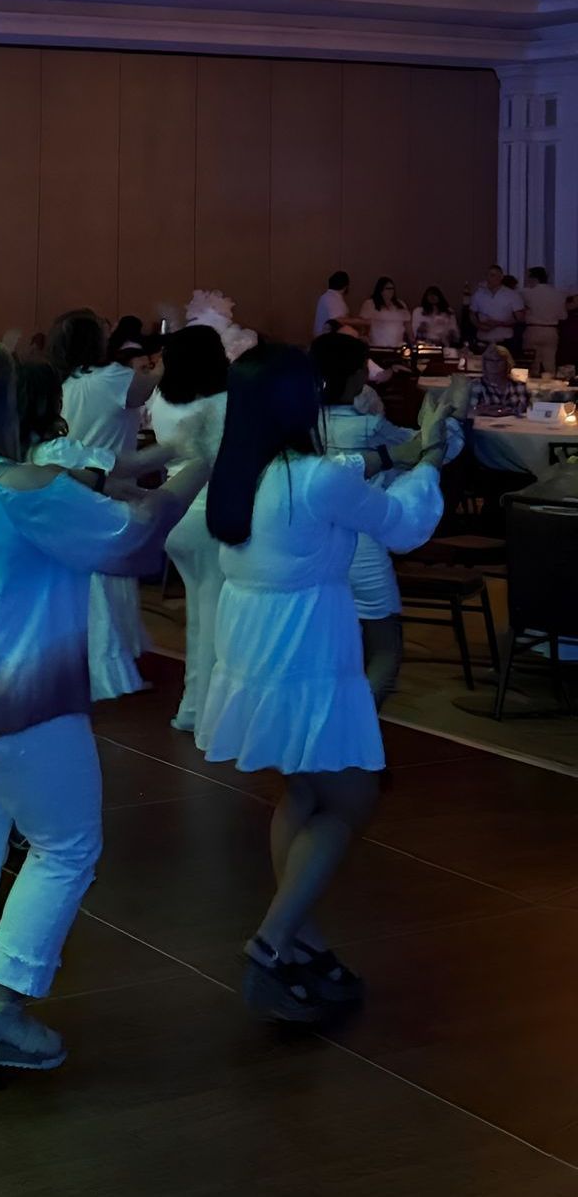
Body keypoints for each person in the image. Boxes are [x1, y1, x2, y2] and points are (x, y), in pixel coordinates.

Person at [0, 333, 205, 1073]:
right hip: (12, 698)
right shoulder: (19, 487)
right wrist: (198, 467)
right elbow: (131, 538)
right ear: (6, 400)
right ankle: (1, 1012)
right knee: (66, 847)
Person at [196, 343, 446, 1023]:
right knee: (353, 797)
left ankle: (301, 937)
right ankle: (272, 940)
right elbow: (405, 525)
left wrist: (396, 455)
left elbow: (345, 473)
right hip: (305, 647)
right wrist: (430, 456)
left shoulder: (239, 470)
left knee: (305, 791)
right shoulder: (312, 477)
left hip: (254, 646)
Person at [49, 310, 160, 700]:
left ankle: (86, 659)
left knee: (91, 585)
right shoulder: (112, 378)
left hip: (73, 490)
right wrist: (165, 356)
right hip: (110, 489)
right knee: (108, 584)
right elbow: (148, 386)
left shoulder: (63, 383)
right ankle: (107, 667)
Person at [312, 334, 420, 705]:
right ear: (357, 375)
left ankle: (329, 719)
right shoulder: (368, 427)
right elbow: (423, 448)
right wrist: (448, 421)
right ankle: (357, 725)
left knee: (329, 644)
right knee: (385, 647)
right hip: (362, 547)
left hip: (313, 544)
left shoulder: (302, 426)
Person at [147, 325, 230, 733]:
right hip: (210, 512)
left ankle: (193, 708)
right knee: (213, 620)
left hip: (173, 511)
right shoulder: (224, 401)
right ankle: (207, 715)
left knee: (199, 616)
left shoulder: (160, 398)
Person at [521, 266, 574, 375]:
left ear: (534, 279)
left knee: (532, 364)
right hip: (551, 330)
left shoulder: (526, 293)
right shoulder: (558, 294)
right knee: (550, 364)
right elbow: (563, 316)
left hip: (533, 329)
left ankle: (532, 383)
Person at [469, 264, 524, 349]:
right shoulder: (479, 294)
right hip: (483, 340)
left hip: (504, 340)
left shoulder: (512, 295)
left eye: (492, 275)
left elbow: (519, 318)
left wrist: (499, 323)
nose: (488, 278)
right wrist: (478, 325)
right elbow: (472, 314)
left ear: (501, 277)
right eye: (487, 275)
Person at [469, 342, 531, 416]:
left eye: (499, 360)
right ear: (484, 363)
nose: (494, 364)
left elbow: (527, 411)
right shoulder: (476, 385)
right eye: (490, 360)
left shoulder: (519, 386)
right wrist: (483, 411)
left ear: (507, 362)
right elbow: (470, 411)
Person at [362, 278, 410, 349]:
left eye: (392, 288)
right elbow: (364, 323)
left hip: (397, 346)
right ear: (381, 290)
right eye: (388, 289)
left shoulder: (400, 304)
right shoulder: (370, 304)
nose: (391, 291)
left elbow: (407, 324)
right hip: (377, 345)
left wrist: (411, 339)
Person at [313, 272, 351, 338]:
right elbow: (338, 321)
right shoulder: (334, 300)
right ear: (346, 286)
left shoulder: (326, 297)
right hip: (327, 341)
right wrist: (361, 322)